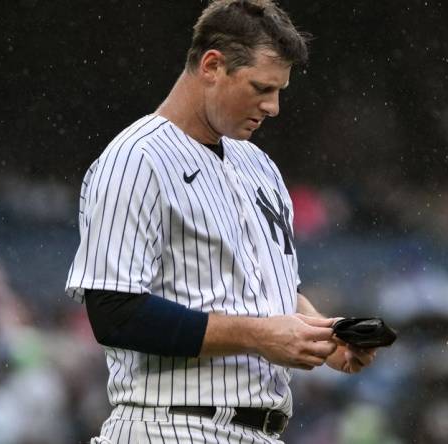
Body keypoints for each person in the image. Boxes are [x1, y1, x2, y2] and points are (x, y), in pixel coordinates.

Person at [65, 1, 377, 442]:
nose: (274, 107)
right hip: (169, 424)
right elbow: (114, 313)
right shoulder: (136, 159)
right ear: (212, 65)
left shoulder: (259, 165)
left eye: (280, 90)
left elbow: (267, 292)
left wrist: (323, 336)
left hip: (259, 430)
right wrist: (259, 335)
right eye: (262, 88)